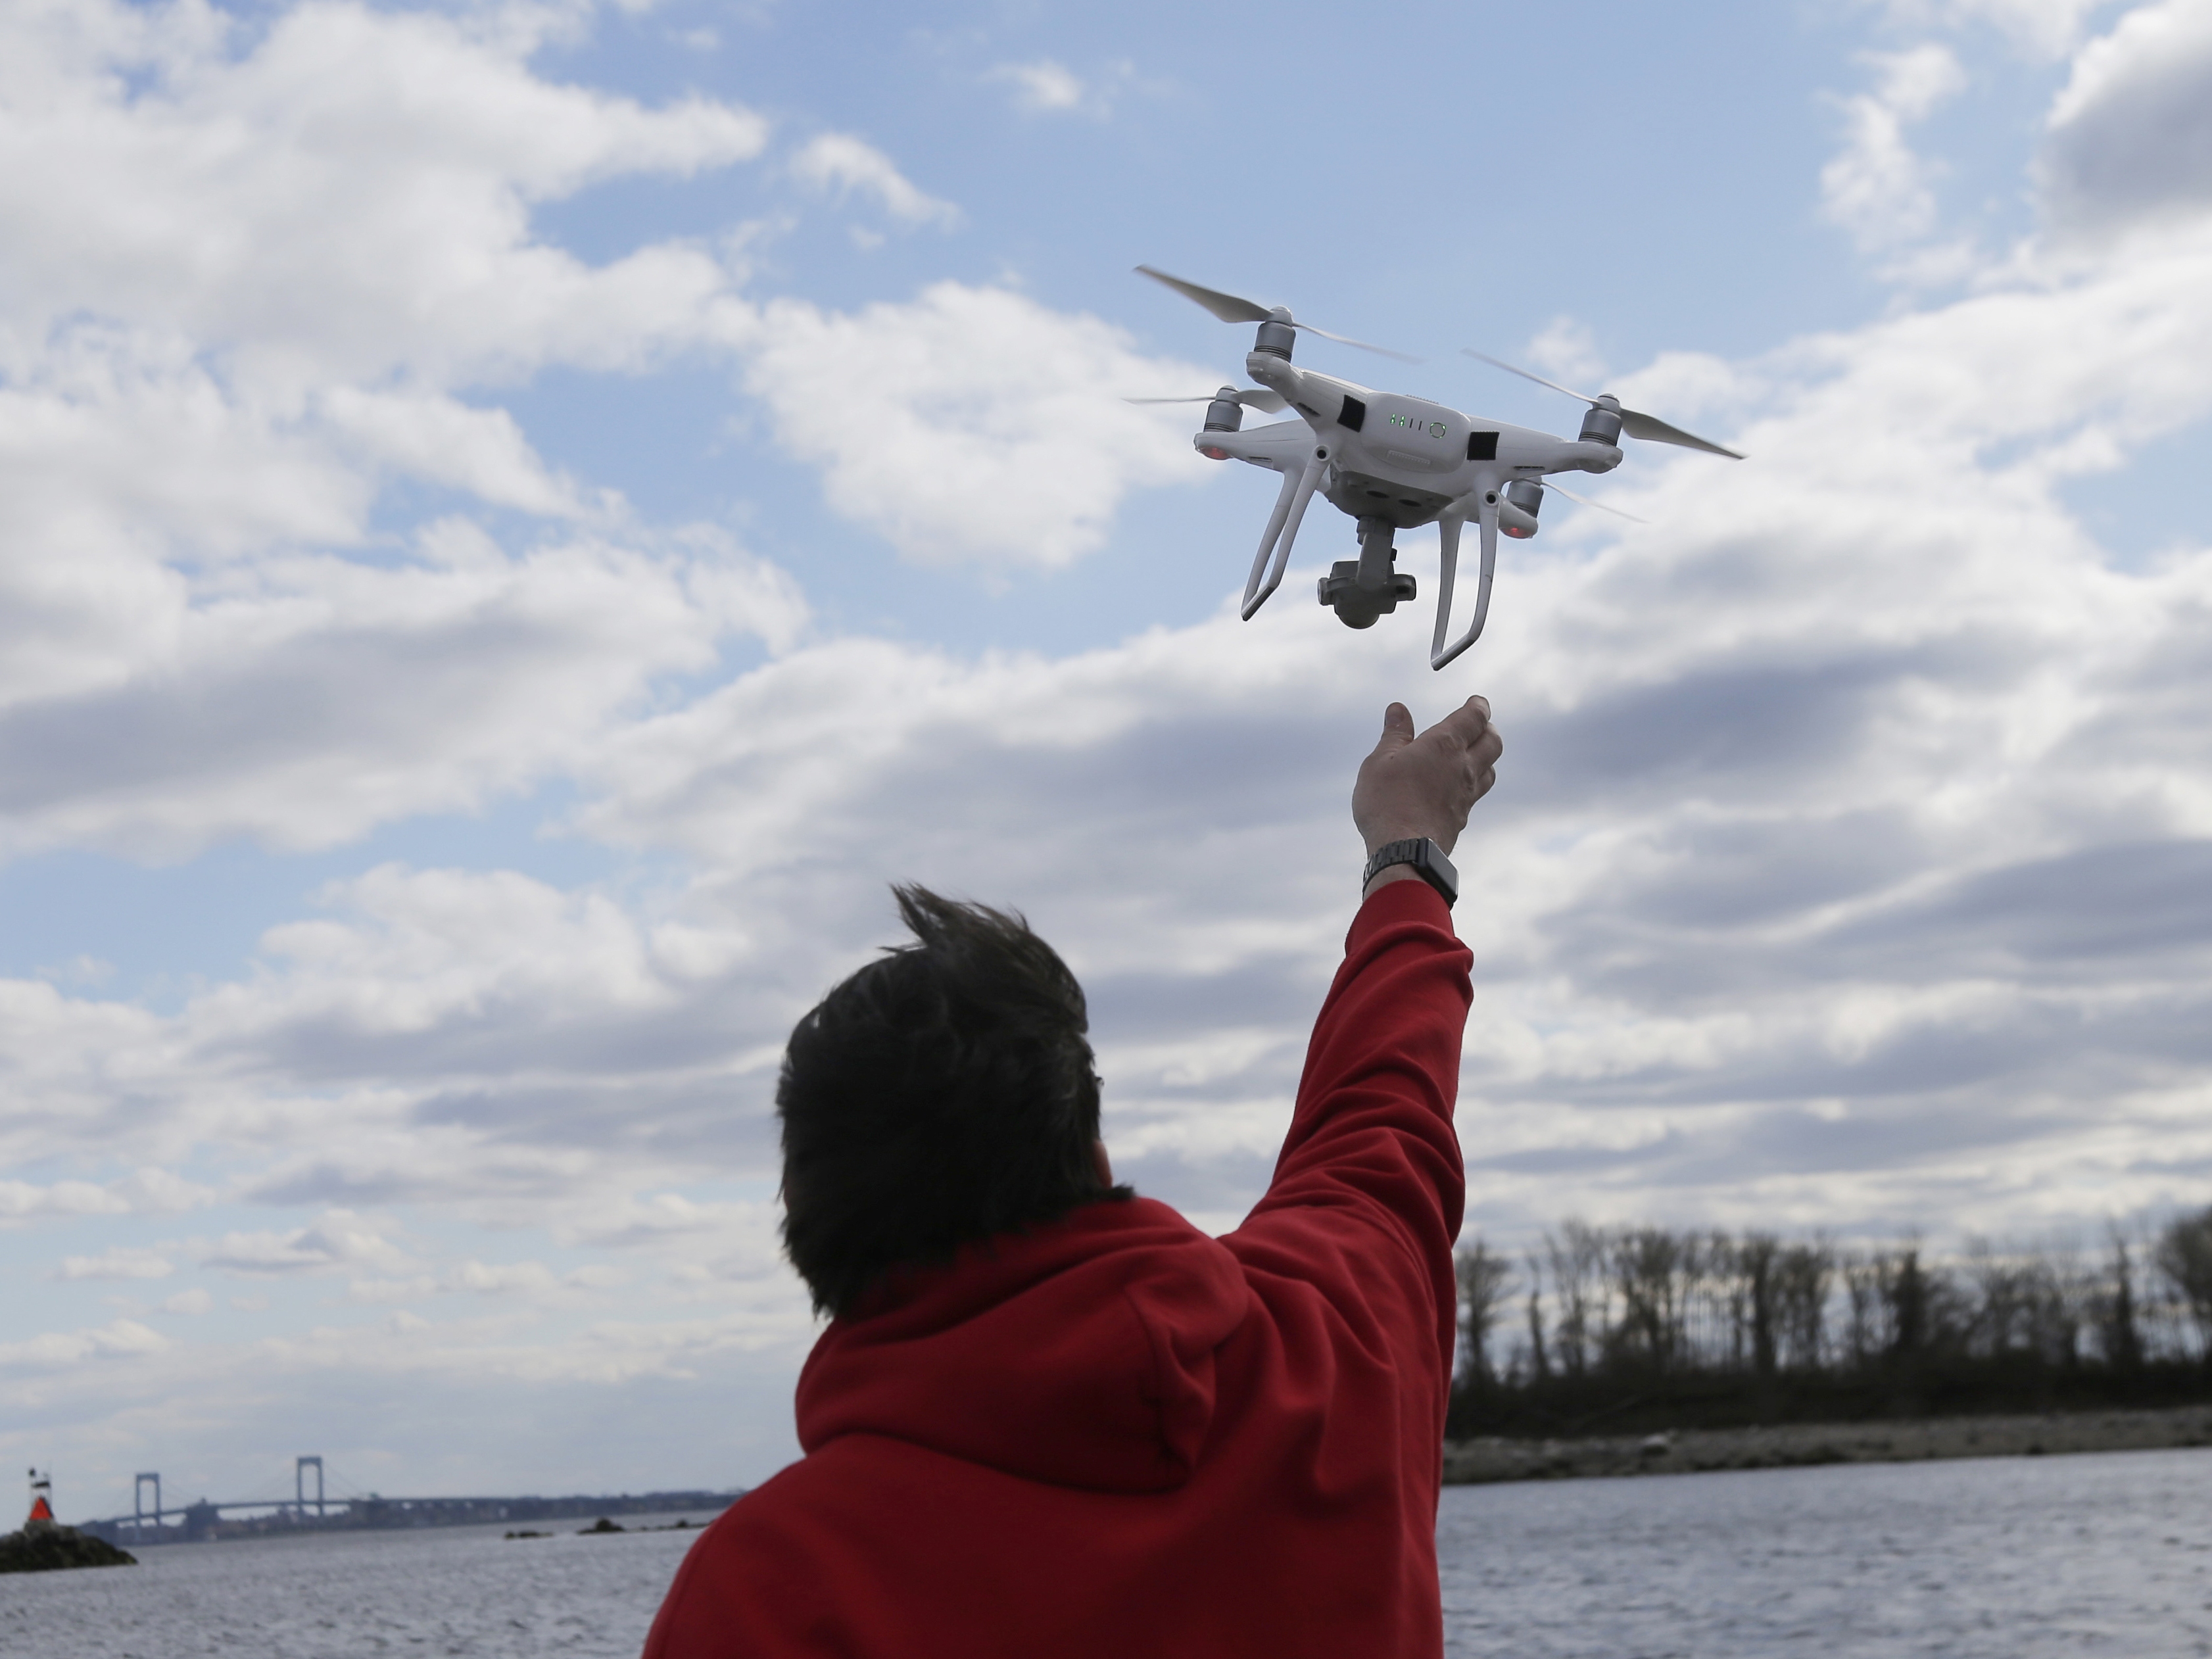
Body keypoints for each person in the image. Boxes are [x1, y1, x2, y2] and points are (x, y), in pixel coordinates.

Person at [644, 696, 1502, 1658]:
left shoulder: (768, 1590)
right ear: (1090, 1160)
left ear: (805, 1231)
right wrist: (1407, 855)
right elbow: (1383, 1112)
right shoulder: (1335, 1358)